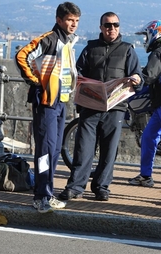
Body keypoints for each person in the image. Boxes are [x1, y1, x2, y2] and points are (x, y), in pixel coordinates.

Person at [59, 11, 143, 201]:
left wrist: (137, 79)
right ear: (101, 28)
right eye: (107, 25)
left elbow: (138, 76)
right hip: (90, 107)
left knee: (109, 150)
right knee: (83, 148)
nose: (111, 28)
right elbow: (77, 73)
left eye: (115, 25)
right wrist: (79, 80)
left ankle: (101, 187)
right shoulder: (90, 48)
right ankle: (75, 187)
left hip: (116, 108)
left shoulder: (128, 49)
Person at [15, 2, 81, 213]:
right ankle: (41, 196)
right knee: (44, 151)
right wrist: (36, 81)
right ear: (59, 20)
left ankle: (47, 192)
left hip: (60, 102)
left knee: (53, 150)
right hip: (46, 102)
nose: (73, 24)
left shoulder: (68, 42)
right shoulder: (50, 39)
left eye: (76, 21)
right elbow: (22, 56)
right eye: (70, 20)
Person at [128, 20, 161, 187]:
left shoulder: (159, 52)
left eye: (147, 35)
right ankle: (146, 176)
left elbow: (149, 75)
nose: (146, 40)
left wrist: (135, 79)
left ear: (155, 34)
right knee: (148, 137)